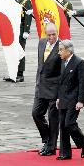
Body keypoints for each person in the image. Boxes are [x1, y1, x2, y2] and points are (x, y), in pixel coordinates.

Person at [56, 39, 84, 160]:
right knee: (63, 126)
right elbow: (61, 82)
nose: (59, 52)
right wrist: (59, 97)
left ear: (68, 51)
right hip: (63, 98)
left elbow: (83, 83)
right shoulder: (63, 62)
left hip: (74, 99)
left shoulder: (79, 62)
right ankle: (65, 153)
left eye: (61, 50)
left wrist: (81, 100)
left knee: (69, 123)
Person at [32, 23, 61, 156]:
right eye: (49, 34)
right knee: (36, 113)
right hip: (40, 87)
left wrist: (61, 93)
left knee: (53, 118)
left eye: (53, 34)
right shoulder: (42, 43)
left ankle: (51, 147)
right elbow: (40, 65)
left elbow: (64, 71)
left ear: (57, 32)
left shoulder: (62, 46)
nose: (51, 37)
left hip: (54, 89)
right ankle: (47, 139)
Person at [3, 0, 32, 82]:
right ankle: (12, 72)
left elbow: (28, 16)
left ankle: (20, 73)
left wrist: (26, 31)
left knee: (20, 51)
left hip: (20, 29)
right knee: (12, 51)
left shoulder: (26, 1)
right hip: (12, 29)